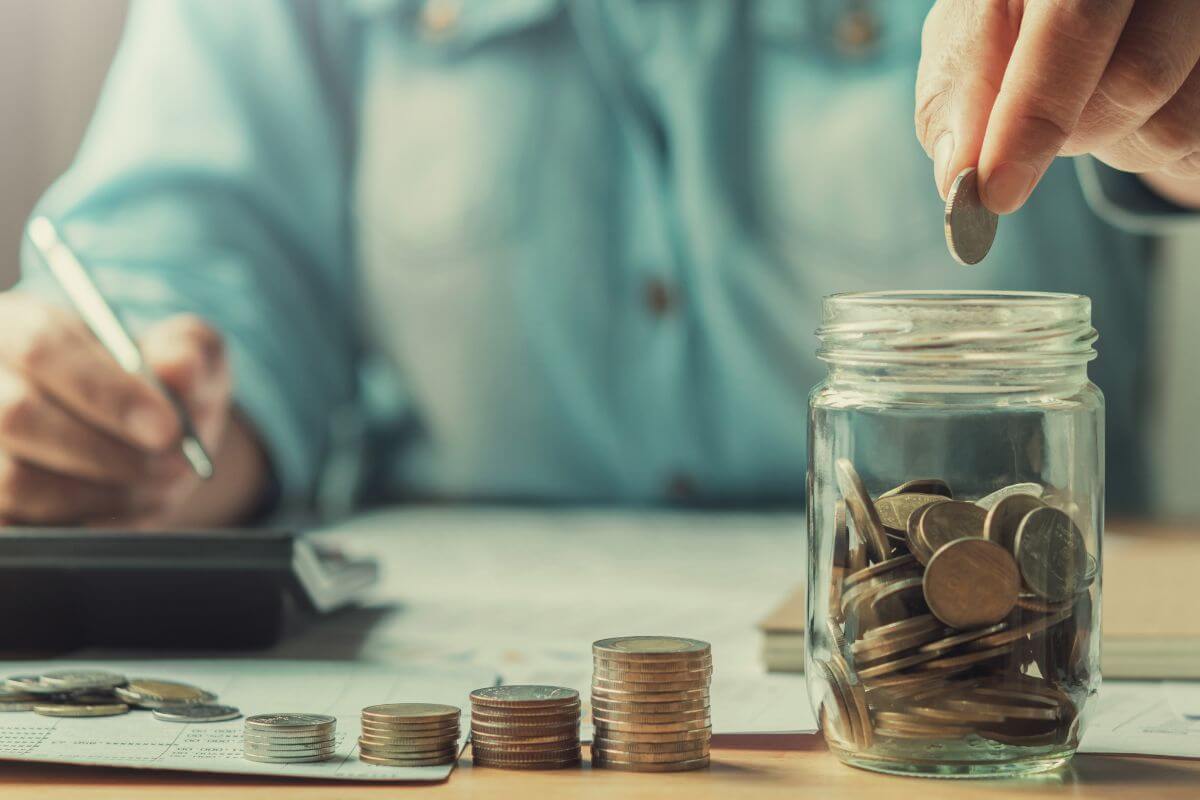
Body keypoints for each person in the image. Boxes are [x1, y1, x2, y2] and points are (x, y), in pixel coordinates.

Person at [3, 0, 1197, 527]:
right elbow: (192, 270)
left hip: (994, 669)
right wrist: (125, 429)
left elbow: (1170, 129)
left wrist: (1182, 119)